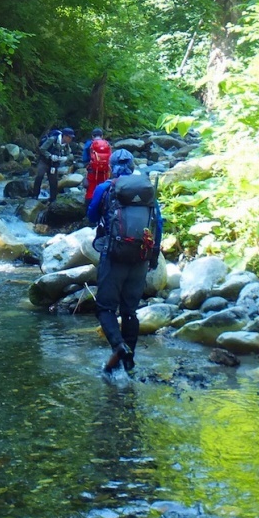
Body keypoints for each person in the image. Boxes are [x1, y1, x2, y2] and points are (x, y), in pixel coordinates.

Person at [87, 149, 163, 377]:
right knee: (130, 311)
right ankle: (129, 363)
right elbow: (158, 223)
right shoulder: (147, 190)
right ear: (132, 166)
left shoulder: (106, 187)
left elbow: (91, 217)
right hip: (140, 257)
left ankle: (119, 346)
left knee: (105, 308)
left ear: (110, 166)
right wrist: (153, 255)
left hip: (113, 255)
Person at [31, 127, 75, 203]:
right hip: (44, 161)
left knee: (53, 181)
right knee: (39, 177)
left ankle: (53, 199)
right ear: (64, 136)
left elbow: (70, 155)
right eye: (69, 137)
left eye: (71, 137)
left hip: (54, 164)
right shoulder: (52, 139)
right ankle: (35, 196)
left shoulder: (66, 145)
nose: (70, 139)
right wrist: (50, 156)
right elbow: (42, 149)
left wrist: (65, 158)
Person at [81, 127, 111, 204]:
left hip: (92, 171)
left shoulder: (89, 144)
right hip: (105, 171)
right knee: (104, 188)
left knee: (91, 190)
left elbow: (84, 159)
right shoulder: (107, 144)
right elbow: (111, 158)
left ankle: (89, 211)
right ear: (102, 136)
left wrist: (87, 166)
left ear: (92, 136)